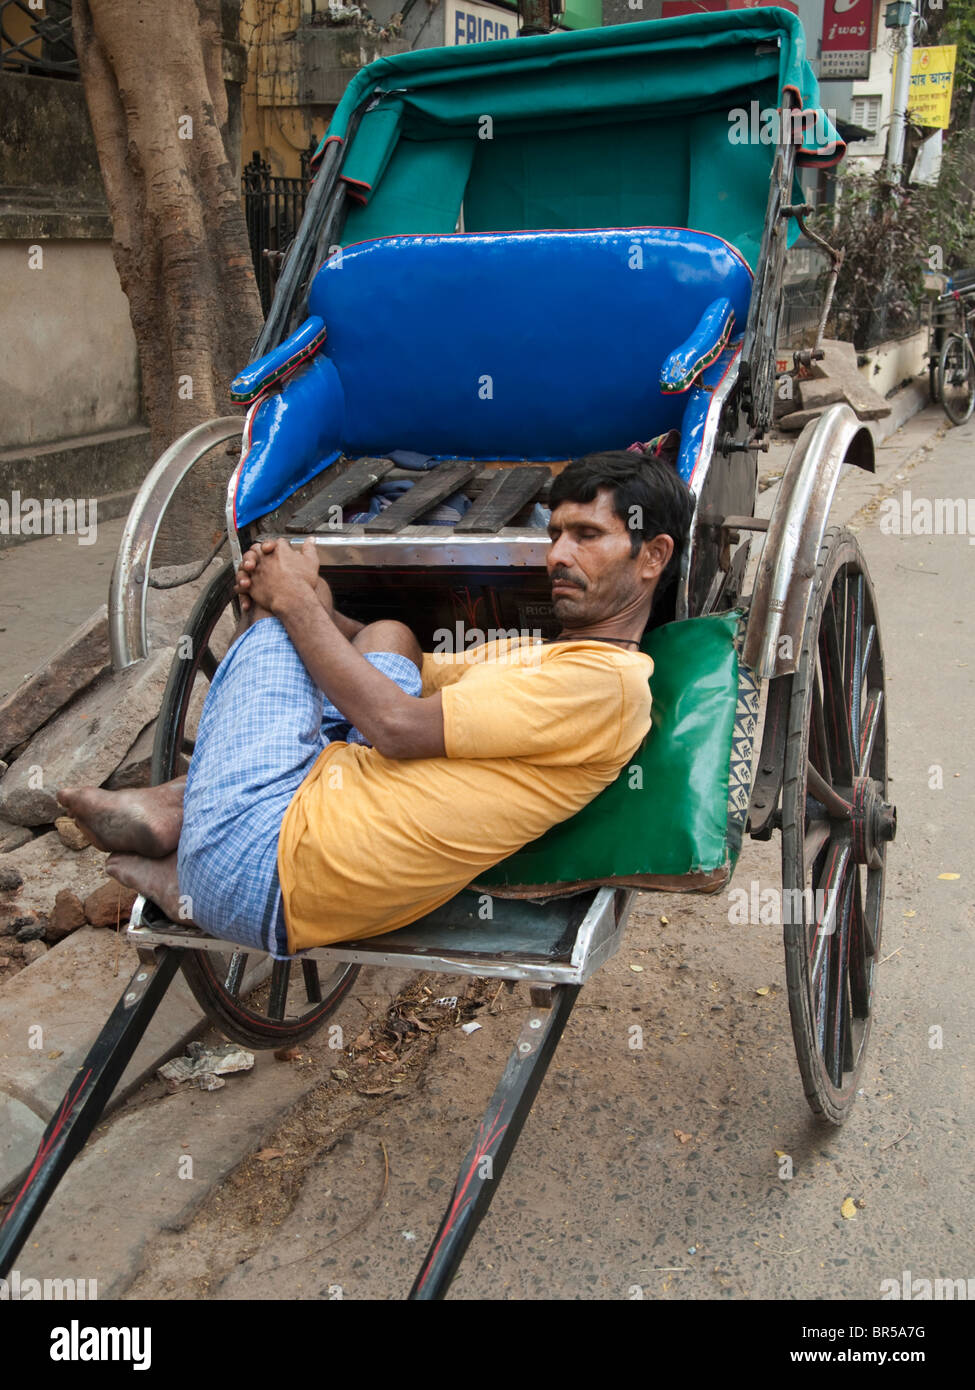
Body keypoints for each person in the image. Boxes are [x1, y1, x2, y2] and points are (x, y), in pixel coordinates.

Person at [58, 451, 694, 957]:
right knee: (392, 636)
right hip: (298, 824)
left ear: (653, 556)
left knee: (279, 627)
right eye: (555, 532)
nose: (556, 554)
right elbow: (395, 669)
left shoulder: (606, 685)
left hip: (264, 863)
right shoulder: (548, 657)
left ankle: (182, 826)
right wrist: (319, 602)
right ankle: (181, 822)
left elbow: (394, 725)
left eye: (587, 535)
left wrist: (293, 603)